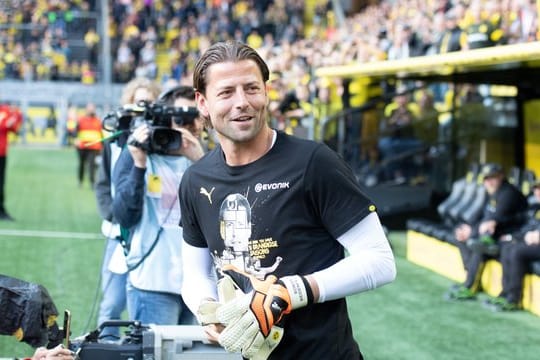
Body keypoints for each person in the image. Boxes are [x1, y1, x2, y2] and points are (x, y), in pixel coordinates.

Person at [179, 40, 396, 359]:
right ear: (202, 102)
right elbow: (195, 274)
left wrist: (292, 291)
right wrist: (206, 309)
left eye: (251, 88)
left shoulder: (314, 163)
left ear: (266, 92)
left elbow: (380, 261)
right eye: (226, 92)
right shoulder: (196, 180)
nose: (242, 102)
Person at [112, 84, 205, 325]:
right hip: (153, 284)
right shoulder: (139, 155)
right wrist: (139, 165)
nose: (190, 126)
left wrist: (201, 163)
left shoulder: (209, 160)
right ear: (165, 120)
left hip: (202, 287)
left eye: (196, 117)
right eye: (181, 118)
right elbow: (124, 217)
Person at [94, 77, 161, 339]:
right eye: (139, 102)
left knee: (142, 306)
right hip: (118, 234)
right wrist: (112, 212)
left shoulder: (165, 142)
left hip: (150, 234)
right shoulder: (115, 140)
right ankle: (104, 349)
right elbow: (102, 182)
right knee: (112, 302)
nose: (143, 109)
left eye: (149, 102)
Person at [445, 162, 528, 300]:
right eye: (486, 178)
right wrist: (469, 228)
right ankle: (469, 274)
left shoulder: (509, 193)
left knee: (479, 247)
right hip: (494, 234)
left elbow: (493, 220)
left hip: (510, 235)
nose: (488, 181)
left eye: (492, 177)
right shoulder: (492, 192)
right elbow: (480, 215)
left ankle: (470, 286)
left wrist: (473, 232)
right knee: (459, 233)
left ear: (501, 176)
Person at [483, 179, 540, 311]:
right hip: (532, 242)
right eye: (536, 189)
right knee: (507, 245)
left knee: (516, 251)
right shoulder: (535, 207)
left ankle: (514, 299)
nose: (537, 192)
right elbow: (526, 228)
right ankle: (506, 292)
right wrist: (512, 236)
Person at [0, 101, 22, 220]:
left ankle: (1, 210)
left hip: (1, 152)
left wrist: (16, 116)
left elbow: (13, 128)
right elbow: (5, 125)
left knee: (0, 183)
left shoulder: (5, 110)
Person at [75, 102, 103, 188]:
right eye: (89, 108)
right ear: (86, 109)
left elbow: (101, 134)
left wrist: (102, 146)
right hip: (82, 147)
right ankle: (80, 181)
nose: (91, 110)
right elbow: (75, 132)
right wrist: (76, 140)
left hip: (94, 147)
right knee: (82, 164)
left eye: (92, 108)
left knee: (92, 165)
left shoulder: (98, 121)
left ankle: (92, 183)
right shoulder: (81, 120)